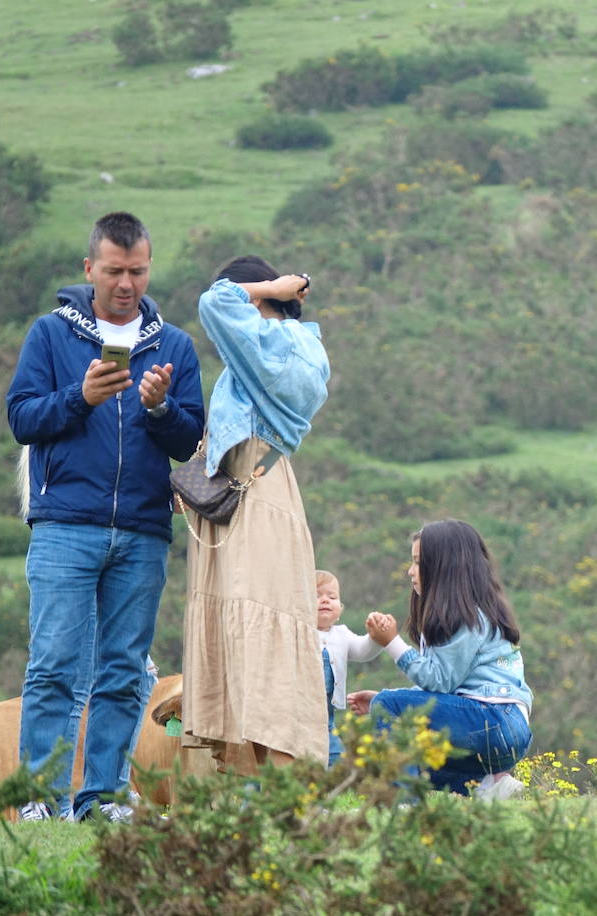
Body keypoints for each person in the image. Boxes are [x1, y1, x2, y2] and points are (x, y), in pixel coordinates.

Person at [6, 211, 205, 822]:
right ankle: (39, 799)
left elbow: (190, 435)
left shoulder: (174, 346)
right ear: (88, 268)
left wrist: (161, 408)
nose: (127, 283)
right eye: (115, 271)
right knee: (53, 667)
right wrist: (80, 397)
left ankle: (102, 799)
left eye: (138, 271)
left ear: (149, 268)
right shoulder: (49, 335)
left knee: (123, 671)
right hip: (65, 524)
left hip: (144, 532)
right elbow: (22, 417)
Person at [179, 255, 332, 769]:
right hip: (263, 482)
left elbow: (213, 301)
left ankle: (272, 767)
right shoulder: (303, 348)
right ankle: (256, 771)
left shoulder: (275, 345)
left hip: (250, 487)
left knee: (253, 613)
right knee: (256, 616)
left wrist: (273, 285)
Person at [347, 519, 532, 798]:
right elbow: (446, 688)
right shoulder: (479, 612)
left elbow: (439, 681)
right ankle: (489, 785)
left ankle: (402, 801)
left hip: (493, 719)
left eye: (418, 562)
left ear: (445, 567)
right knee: (405, 744)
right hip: (506, 726)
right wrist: (386, 701)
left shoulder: (466, 619)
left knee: (390, 712)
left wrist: (391, 643)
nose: (410, 572)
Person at [315, 569, 383, 766]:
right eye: (316, 596)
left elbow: (363, 651)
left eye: (332, 596)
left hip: (327, 717)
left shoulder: (342, 635)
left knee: (336, 757)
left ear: (340, 608)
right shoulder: (300, 633)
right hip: (300, 714)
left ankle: (335, 789)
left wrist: (375, 637)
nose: (325, 600)